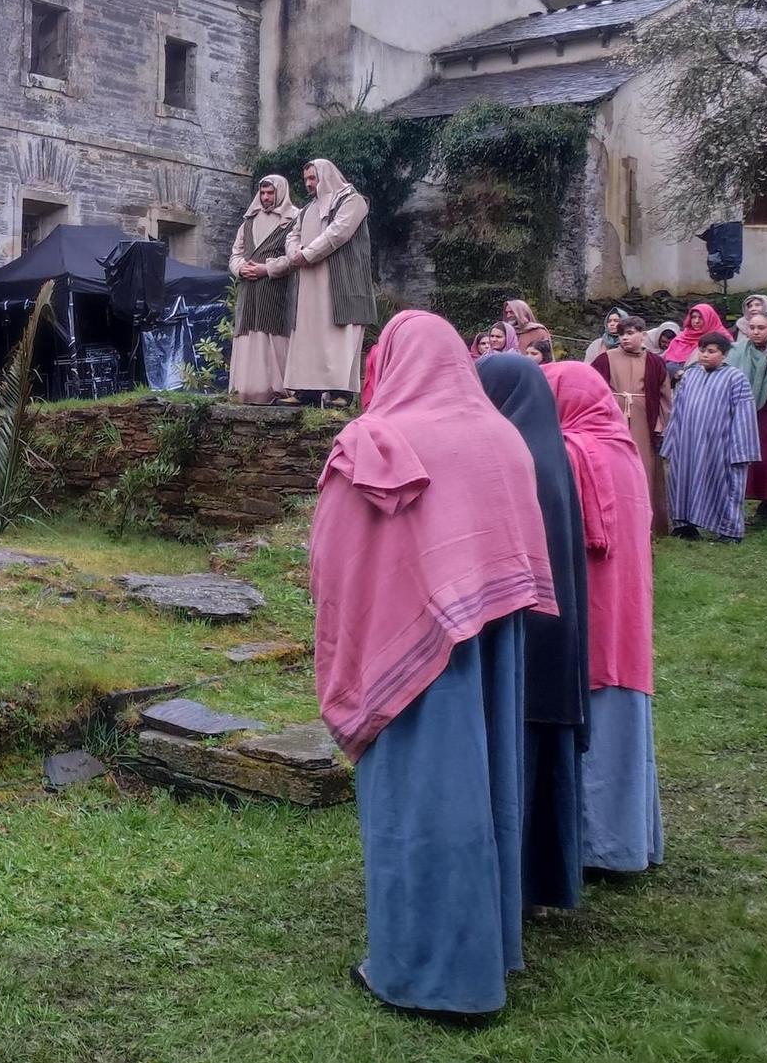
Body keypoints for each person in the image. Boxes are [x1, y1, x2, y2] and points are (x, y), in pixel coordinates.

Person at [310, 312, 553, 1018]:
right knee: (488, 787)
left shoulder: (378, 439)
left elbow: (337, 552)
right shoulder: (503, 437)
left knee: (426, 799)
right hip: (494, 634)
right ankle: (492, 946)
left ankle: (428, 972)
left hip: (410, 644)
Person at [477, 354, 590, 916]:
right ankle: (550, 882)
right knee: (548, 761)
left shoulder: (515, 460)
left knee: (517, 759)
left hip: (526, 632)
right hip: (559, 632)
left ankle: (513, 886)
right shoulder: (552, 452)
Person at [542, 362, 663, 876]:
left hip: (589, 608)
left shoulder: (572, 454)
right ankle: (630, 840)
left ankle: (599, 847)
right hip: (627, 611)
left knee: (595, 718)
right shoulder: (622, 447)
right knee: (623, 714)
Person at [265, 158, 375, 406]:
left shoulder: (353, 201)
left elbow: (338, 232)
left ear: (326, 176)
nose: (308, 184)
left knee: (339, 335)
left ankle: (340, 394)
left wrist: (307, 254)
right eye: (305, 180)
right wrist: (295, 253)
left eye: (312, 178)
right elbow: (292, 235)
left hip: (342, 283)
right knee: (307, 334)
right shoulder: (306, 210)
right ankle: (307, 392)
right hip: (308, 282)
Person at [661, 331, 761, 541]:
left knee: (724, 485)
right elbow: (678, 408)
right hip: (688, 443)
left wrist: (741, 450)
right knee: (683, 480)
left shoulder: (736, 378)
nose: (705, 354)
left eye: (711, 351)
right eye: (702, 350)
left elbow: (744, 415)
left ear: (724, 355)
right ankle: (685, 525)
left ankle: (729, 531)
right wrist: (671, 441)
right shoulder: (691, 375)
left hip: (719, 445)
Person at [592, 317, 674, 537]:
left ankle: (644, 521)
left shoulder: (655, 363)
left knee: (643, 467)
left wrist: (660, 425)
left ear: (643, 334)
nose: (625, 338)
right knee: (613, 466)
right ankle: (613, 517)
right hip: (613, 418)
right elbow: (592, 390)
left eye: (630, 333)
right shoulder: (604, 359)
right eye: (621, 335)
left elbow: (665, 397)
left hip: (643, 421)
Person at [227, 174, 298, 404]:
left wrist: (267, 269)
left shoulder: (293, 219)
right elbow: (235, 254)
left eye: (271, 193)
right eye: (263, 193)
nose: (266, 198)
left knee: (273, 334)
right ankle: (245, 389)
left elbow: (295, 256)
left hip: (277, 291)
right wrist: (240, 269)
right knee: (248, 334)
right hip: (249, 292)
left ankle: (277, 389)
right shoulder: (248, 222)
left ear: (281, 192)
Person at [728, 310, 767, 527]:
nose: (755, 332)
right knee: (756, 461)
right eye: (752, 327)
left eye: (761, 328)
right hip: (747, 415)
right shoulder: (738, 352)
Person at [661, 303, 729, 374]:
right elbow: (664, 359)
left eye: (701, 317)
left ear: (709, 318)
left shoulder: (720, 338)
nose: (696, 321)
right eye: (693, 317)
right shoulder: (682, 336)